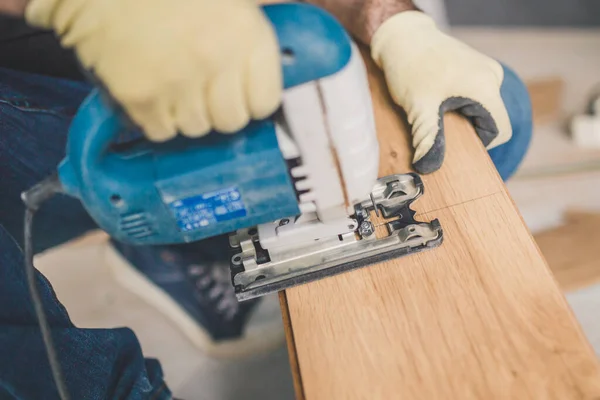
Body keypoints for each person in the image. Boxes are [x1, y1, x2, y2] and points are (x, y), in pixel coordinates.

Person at [0, 0, 532, 398]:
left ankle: (177, 253)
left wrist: (391, 20)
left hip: (196, 52)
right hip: (24, 92)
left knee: (490, 119)